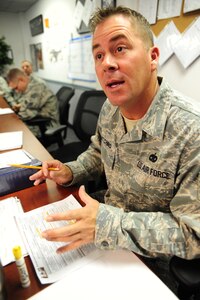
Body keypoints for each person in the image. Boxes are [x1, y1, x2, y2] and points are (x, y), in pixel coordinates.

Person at [30, 6, 200, 294]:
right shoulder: (110, 109)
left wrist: (108, 224)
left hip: (153, 267)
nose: (106, 63)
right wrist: (71, 170)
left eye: (119, 48)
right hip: (102, 236)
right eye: (98, 55)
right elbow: (99, 153)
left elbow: (193, 235)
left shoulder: (191, 131)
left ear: (152, 57)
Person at [6, 68, 59, 137]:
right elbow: (26, 104)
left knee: (14, 132)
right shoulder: (29, 84)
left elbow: (26, 114)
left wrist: (9, 119)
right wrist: (20, 106)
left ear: (21, 80)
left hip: (46, 125)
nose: (17, 91)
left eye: (16, 88)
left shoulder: (36, 87)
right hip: (36, 118)